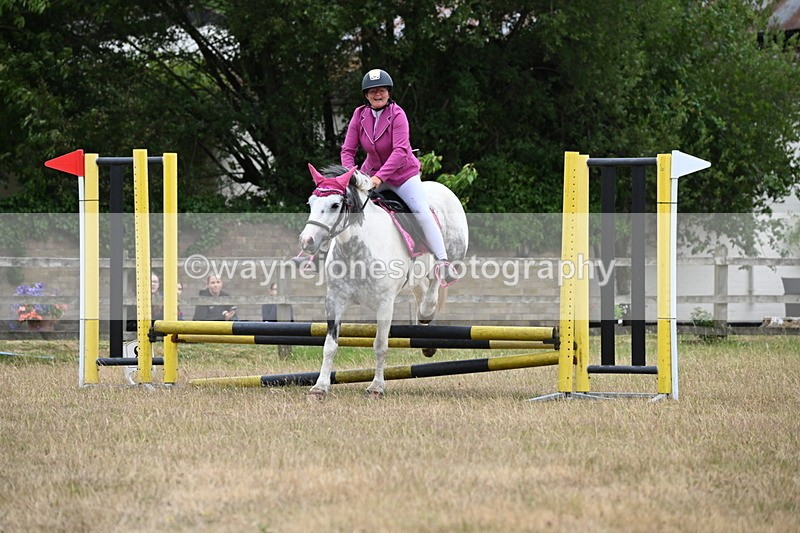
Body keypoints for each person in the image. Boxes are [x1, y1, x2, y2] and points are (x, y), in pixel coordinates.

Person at [341, 68, 458, 283]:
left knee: (421, 211)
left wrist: (378, 179)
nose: (378, 94)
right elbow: (347, 150)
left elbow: (400, 151)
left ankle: (442, 262)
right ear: (366, 95)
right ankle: (314, 255)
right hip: (371, 171)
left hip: (402, 174)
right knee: (345, 203)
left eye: (382, 90)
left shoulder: (397, 114)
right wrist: (351, 174)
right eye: (373, 91)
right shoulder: (359, 115)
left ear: (388, 92)